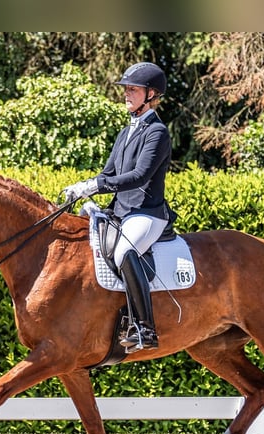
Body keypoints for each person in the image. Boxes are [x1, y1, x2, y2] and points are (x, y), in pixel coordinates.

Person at [63, 61, 177, 352]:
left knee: (126, 250)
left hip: (146, 213)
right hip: (121, 211)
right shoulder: (126, 133)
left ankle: (144, 328)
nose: (126, 94)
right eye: (126, 89)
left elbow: (139, 177)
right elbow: (110, 174)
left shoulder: (157, 133)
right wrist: (85, 187)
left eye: (133, 89)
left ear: (151, 94)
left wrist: (96, 186)